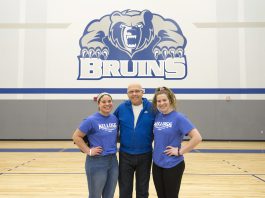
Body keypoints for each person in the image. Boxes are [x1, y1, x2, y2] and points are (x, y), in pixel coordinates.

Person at [152, 87, 202, 198]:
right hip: (157, 164)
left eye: (164, 100)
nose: (161, 103)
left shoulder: (179, 117)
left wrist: (180, 151)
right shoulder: (158, 117)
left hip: (173, 164)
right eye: (159, 101)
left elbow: (197, 137)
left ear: (170, 100)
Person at [72, 92, 119, 198]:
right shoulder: (91, 120)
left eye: (109, 101)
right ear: (98, 104)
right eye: (104, 102)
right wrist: (88, 150)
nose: (107, 104)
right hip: (97, 162)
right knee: (95, 195)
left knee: (109, 195)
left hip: (113, 161)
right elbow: (76, 136)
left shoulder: (114, 119)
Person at [114, 83, 155, 198]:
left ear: (143, 92)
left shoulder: (152, 108)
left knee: (142, 189)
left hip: (145, 154)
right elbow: (112, 125)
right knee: (125, 189)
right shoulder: (121, 108)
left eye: (137, 91)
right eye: (131, 92)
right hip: (125, 155)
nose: (134, 94)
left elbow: (160, 128)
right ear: (127, 94)